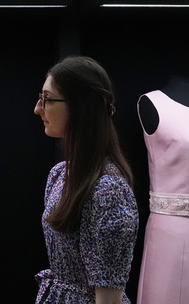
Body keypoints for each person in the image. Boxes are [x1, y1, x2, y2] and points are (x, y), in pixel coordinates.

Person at [33, 56, 139, 304]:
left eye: (47, 99)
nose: (38, 108)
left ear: (80, 106)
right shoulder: (60, 174)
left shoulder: (108, 190)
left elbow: (109, 297)